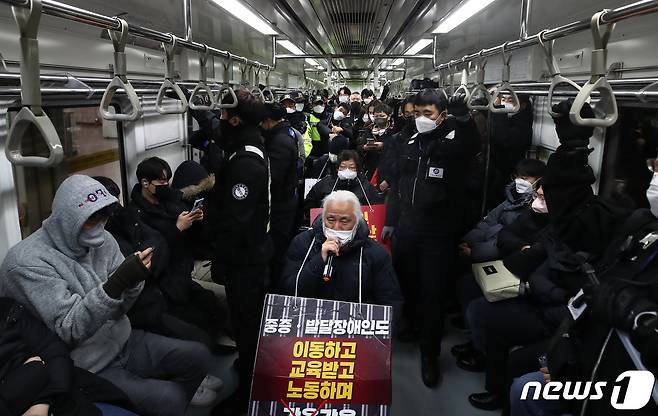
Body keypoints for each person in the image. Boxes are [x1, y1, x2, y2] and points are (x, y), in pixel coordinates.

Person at [0, 175, 211, 416]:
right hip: (85, 363)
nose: (100, 225)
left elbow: (121, 308)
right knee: (169, 398)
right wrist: (116, 283)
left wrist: (133, 282)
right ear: (68, 220)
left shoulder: (103, 240)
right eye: (92, 220)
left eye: (104, 217)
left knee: (198, 356)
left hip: (121, 339)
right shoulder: (27, 263)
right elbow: (69, 329)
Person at [383, 88, 481, 387]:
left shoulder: (453, 142)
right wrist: (391, 221)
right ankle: (411, 324)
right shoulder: (409, 141)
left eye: (428, 114)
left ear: (442, 116)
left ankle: (429, 356)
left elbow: (470, 146)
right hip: (408, 227)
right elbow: (397, 184)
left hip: (438, 233)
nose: (421, 119)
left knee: (434, 294)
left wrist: (464, 119)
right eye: (417, 114)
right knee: (407, 283)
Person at [206, 88, 273, 416]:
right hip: (249, 254)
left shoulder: (245, 160)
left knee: (247, 327)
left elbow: (237, 220)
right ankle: (249, 371)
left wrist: (220, 259)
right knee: (246, 322)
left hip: (244, 259)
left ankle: (248, 394)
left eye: (221, 115)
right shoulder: (244, 148)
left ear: (235, 119)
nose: (219, 121)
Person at [130, 159, 223, 346]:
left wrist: (197, 221)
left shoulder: (170, 202)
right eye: (161, 182)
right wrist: (177, 229)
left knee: (214, 306)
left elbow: (197, 240)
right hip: (163, 287)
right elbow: (152, 254)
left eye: (167, 182)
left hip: (182, 276)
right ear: (145, 183)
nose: (166, 186)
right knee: (199, 324)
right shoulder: (135, 215)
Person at [281, 190, 402, 311]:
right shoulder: (303, 243)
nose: (336, 227)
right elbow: (289, 291)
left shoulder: (375, 253)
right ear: (323, 218)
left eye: (344, 221)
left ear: (357, 221)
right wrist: (319, 261)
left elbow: (390, 302)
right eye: (331, 219)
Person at [459, 158, 546, 262]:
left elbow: (505, 242)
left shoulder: (537, 207)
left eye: (524, 178)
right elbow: (489, 221)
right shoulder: (513, 197)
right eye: (517, 177)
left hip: (497, 254)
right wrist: (469, 241)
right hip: (484, 244)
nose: (519, 181)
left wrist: (474, 252)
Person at [261, 101, 301, 286]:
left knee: (277, 247)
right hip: (286, 199)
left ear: (268, 121)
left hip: (280, 205)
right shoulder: (287, 133)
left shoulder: (280, 141)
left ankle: (277, 286)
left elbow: (273, 178)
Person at [304, 150, 383, 220]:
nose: (347, 170)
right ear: (337, 168)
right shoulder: (325, 183)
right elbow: (310, 202)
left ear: (357, 169)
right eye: (343, 167)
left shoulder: (366, 187)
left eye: (352, 167)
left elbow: (377, 206)